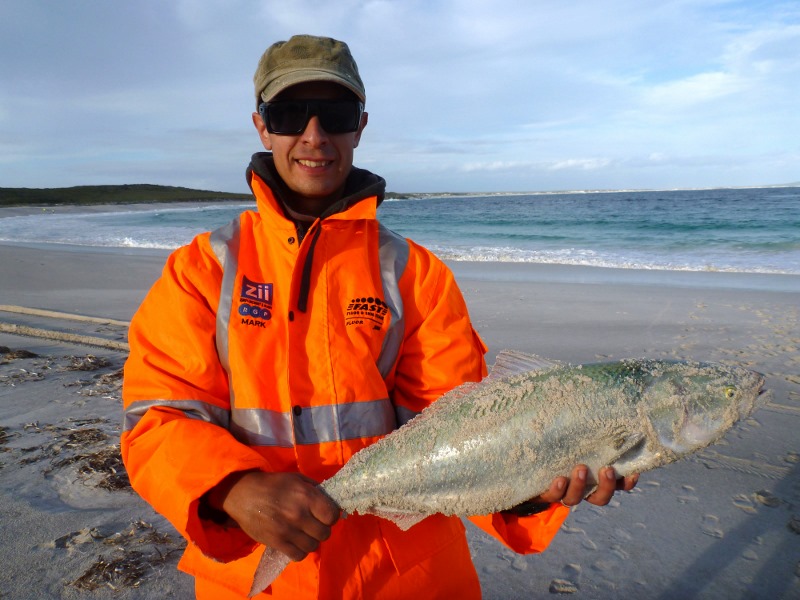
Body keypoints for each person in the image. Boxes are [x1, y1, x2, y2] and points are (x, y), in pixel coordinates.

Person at [121, 34, 637, 599]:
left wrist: (535, 487)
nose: (314, 136)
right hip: (253, 578)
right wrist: (235, 490)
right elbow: (157, 418)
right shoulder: (203, 269)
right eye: (291, 114)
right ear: (262, 126)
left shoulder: (415, 274)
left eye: (336, 115)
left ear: (360, 126)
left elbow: (466, 428)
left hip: (406, 577)